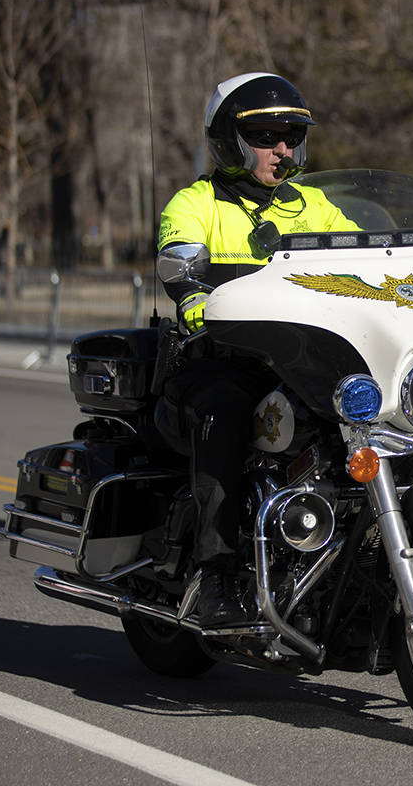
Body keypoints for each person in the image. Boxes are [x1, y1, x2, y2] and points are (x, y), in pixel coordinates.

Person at [157, 72, 359, 626]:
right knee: (223, 410)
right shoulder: (196, 203)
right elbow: (183, 272)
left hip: (305, 363)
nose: (283, 148)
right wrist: (200, 302)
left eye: (292, 134)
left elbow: (369, 260)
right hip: (222, 362)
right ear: (230, 139)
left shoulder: (315, 205)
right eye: (268, 135)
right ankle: (215, 570)